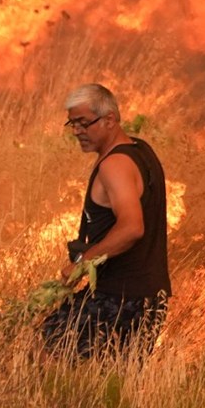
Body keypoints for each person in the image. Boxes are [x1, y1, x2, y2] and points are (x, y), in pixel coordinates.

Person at [42, 83, 171, 358]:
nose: (77, 131)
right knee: (116, 382)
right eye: (72, 123)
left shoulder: (115, 165)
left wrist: (83, 262)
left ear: (110, 119)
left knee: (44, 348)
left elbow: (132, 227)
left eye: (84, 123)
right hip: (149, 296)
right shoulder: (141, 151)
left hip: (119, 296)